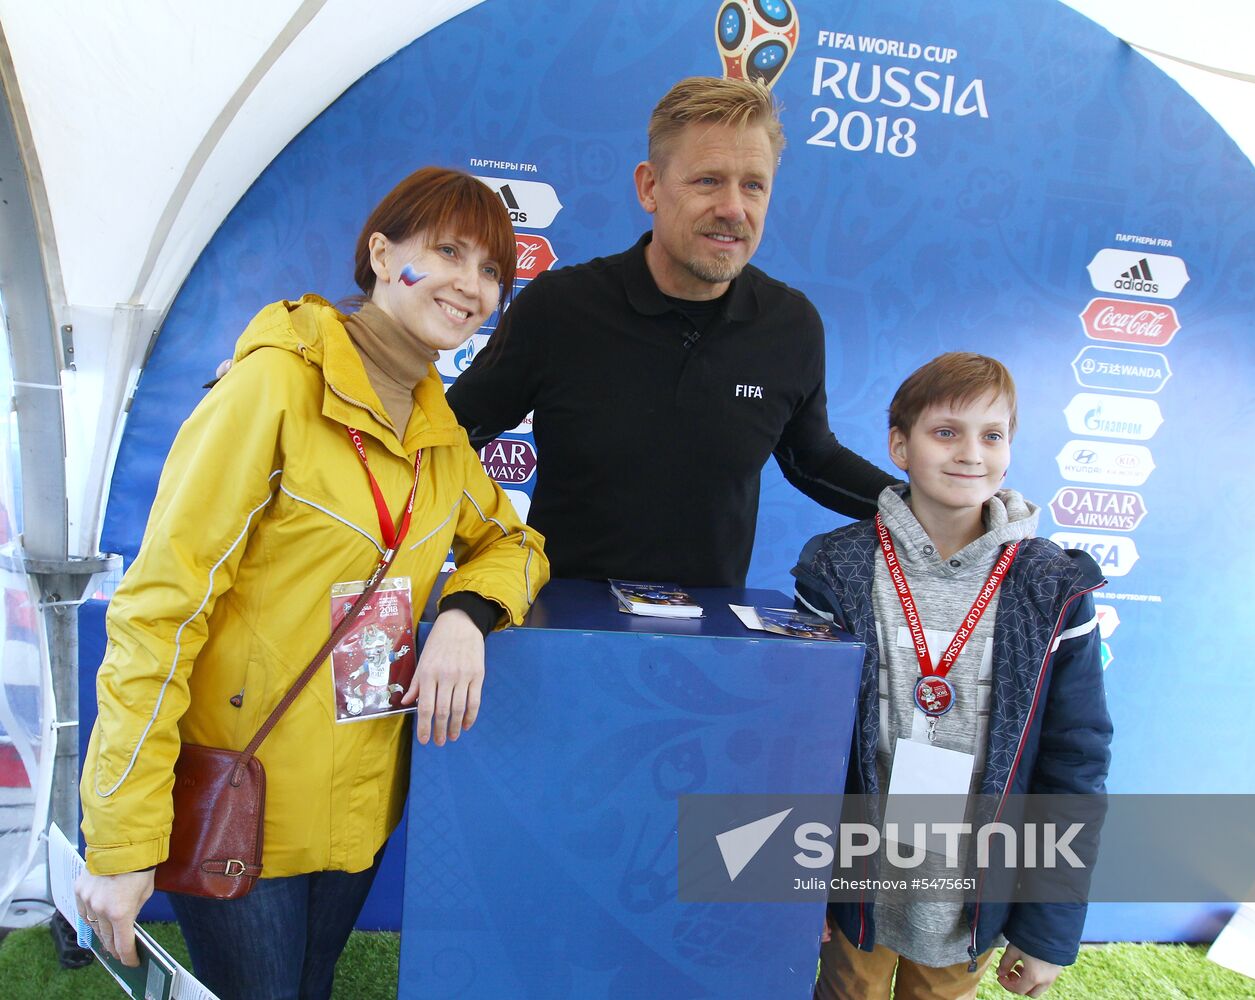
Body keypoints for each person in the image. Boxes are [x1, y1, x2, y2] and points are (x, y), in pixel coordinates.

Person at [75, 168, 550, 999]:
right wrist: (121, 839)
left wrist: (467, 613)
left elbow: (514, 542)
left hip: (361, 807)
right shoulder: (275, 387)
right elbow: (160, 612)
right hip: (244, 801)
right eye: (447, 252)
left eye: (490, 271)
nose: (470, 285)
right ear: (382, 255)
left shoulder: (438, 432)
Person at [446, 76, 900, 587]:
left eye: (753, 185)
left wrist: (926, 509)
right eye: (708, 180)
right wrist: (487, 556)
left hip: (711, 632)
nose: (733, 208)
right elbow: (450, 437)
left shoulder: (791, 326)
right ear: (650, 188)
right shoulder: (559, 307)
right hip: (558, 621)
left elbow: (812, 458)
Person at [793, 353, 1112, 999]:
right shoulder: (836, 570)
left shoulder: (1054, 587)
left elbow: (1074, 766)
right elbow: (801, 742)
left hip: (966, 904)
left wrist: (1046, 930)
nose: (971, 453)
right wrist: (796, 887)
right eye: (946, 432)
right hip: (854, 891)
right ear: (899, 446)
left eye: (992, 435)